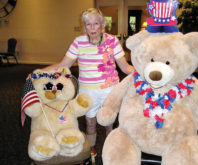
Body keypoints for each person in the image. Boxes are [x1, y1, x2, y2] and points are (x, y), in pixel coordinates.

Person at [42, 8, 135, 155]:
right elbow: (63, 65)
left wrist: (142, 71)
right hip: (88, 90)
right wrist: (40, 72)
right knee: (90, 122)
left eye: (95, 23)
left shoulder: (112, 41)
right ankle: (92, 150)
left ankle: (110, 149)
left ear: (102, 25)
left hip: (110, 89)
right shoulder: (78, 42)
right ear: (84, 26)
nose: (92, 28)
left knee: (109, 121)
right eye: (88, 24)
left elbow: (124, 67)